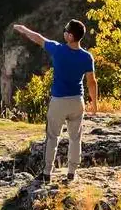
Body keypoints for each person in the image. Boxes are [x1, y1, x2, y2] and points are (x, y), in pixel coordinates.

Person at [12, 19, 97, 182]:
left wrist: (23, 29)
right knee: (75, 138)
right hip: (77, 101)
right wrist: (94, 104)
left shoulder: (58, 50)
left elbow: (38, 38)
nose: (63, 32)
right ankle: (72, 173)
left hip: (59, 101)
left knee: (52, 137)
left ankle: (47, 173)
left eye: (66, 30)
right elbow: (92, 82)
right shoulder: (87, 57)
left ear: (70, 36)